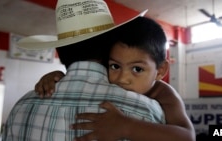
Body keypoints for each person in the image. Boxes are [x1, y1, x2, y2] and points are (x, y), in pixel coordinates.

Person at [2, 0, 167, 141]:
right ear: (112, 48)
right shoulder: (148, 112)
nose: (124, 78)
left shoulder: (21, 107)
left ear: (59, 53)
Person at [35, 14, 195, 141]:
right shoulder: (108, 78)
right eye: (115, 66)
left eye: (137, 69)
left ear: (160, 70)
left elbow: (187, 136)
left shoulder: (164, 94)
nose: (122, 78)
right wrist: (59, 77)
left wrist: (126, 127)